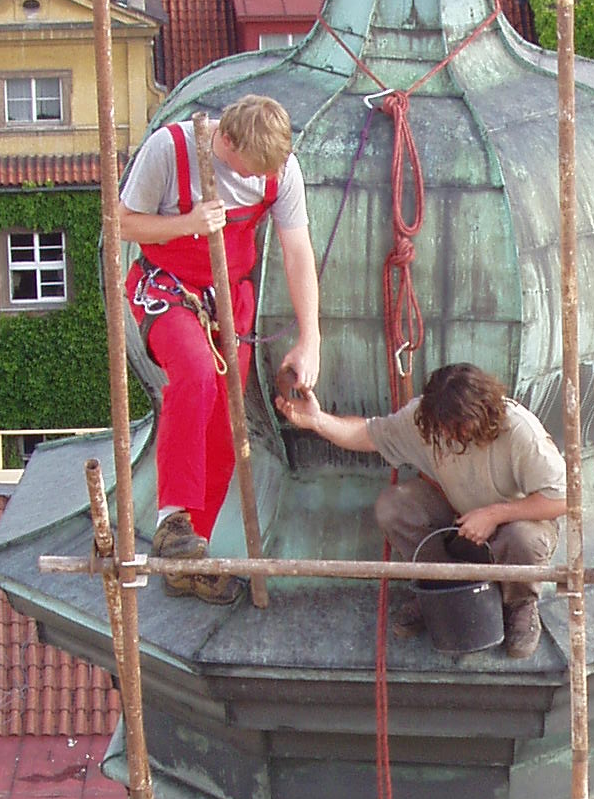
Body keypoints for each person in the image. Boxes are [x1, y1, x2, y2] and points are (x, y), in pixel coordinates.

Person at [118, 95, 321, 603]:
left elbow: (297, 250)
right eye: (250, 170)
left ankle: (189, 555)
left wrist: (310, 338)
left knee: (228, 423)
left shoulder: (281, 171)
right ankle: (173, 521)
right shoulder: (170, 151)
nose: (259, 181)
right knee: (195, 376)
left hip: (228, 298)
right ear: (225, 141)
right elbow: (123, 222)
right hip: (167, 286)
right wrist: (187, 224)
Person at [277, 362, 565, 661]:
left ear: (483, 412)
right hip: (458, 518)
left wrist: (494, 515)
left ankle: (520, 604)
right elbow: (367, 434)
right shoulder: (426, 419)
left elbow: (563, 499)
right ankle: (442, 585)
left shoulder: (519, 430)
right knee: (394, 506)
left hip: (514, 526)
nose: (449, 437)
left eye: (459, 429)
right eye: (443, 430)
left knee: (524, 537)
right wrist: (318, 421)